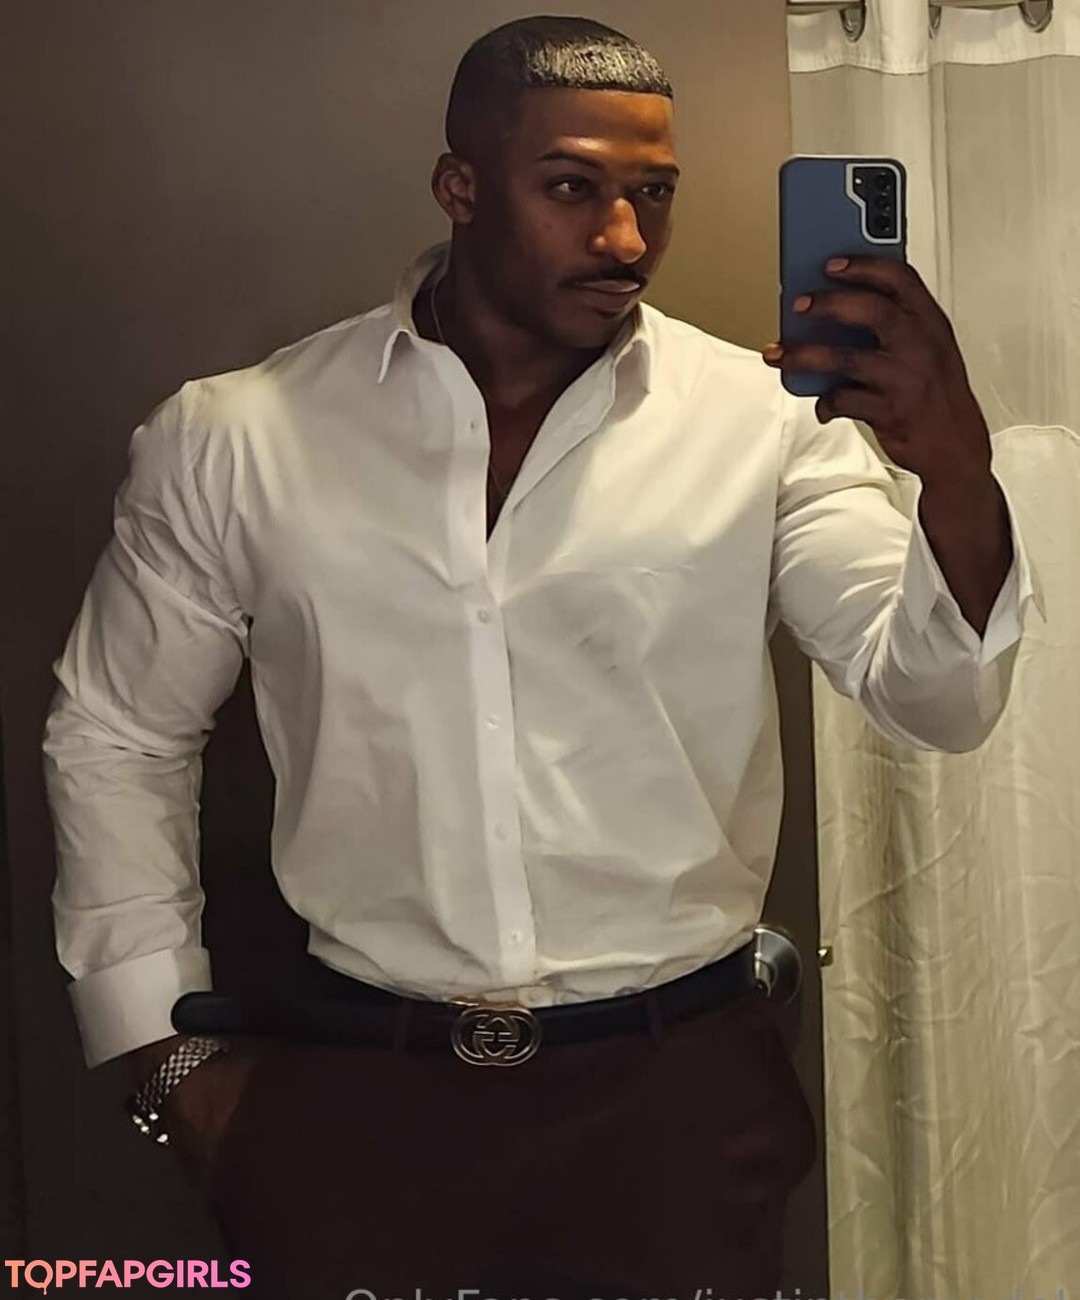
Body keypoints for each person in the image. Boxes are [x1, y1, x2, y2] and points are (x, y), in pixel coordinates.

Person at [42, 13, 1037, 1300]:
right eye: (573, 188)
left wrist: (955, 473)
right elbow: (118, 733)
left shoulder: (764, 428)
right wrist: (162, 1056)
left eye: (653, 194)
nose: (624, 239)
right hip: (361, 1092)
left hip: (680, 1101)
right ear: (460, 186)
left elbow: (936, 697)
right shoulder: (241, 437)